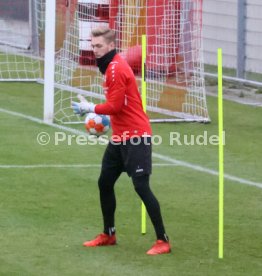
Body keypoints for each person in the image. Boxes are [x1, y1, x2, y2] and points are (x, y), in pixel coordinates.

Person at [71, 27, 171, 255]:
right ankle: (108, 234)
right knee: (104, 182)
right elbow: (119, 105)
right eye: (92, 45)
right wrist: (102, 115)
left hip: (136, 136)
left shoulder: (115, 68)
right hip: (119, 137)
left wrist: (90, 108)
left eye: (98, 46)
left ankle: (163, 240)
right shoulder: (110, 67)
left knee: (141, 186)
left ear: (110, 46)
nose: (94, 50)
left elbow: (114, 106)